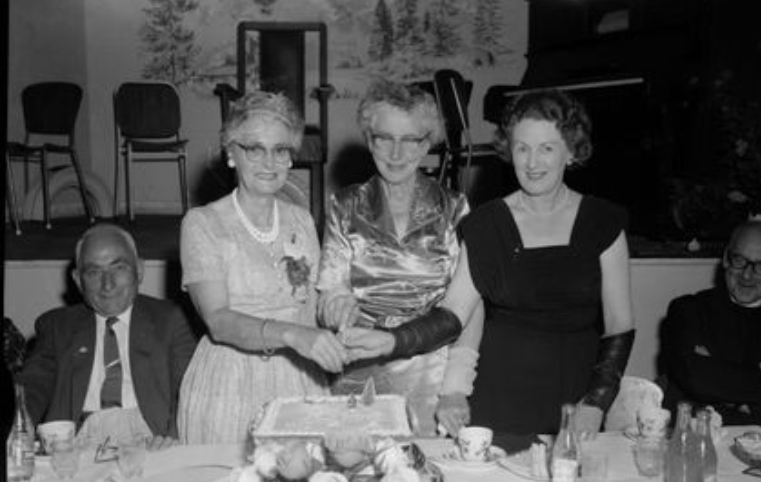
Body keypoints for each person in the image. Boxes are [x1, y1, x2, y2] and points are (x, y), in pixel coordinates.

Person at [343, 89, 635, 448]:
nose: (532, 162)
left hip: (576, 395)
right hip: (499, 396)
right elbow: (453, 313)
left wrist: (596, 401)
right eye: (522, 147)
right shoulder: (485, 224)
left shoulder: (603, 222)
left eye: (547, 148)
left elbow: (619, 325)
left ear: (571, 151)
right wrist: (393, 340)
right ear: (509, 151)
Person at [178, 91, 349, 444]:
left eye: (281, 150)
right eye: (254, 148)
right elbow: (219, 322)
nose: (269, 162)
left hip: (298, 379)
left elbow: (311, 307)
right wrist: (293, 335)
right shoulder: (203, 223)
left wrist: (339, 308)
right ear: (230, 153)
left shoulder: (301, 220)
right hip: (230, 384)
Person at [316, 80, 479, 435]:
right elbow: (329, 294)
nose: (396, 153)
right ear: (369, 140)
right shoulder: (343, 205)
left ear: (427, 144)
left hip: (433, 374)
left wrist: (455, 388)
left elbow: (468, 309)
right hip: (361, 365)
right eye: (384, 138)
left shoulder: (454, 208)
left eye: (411, 140)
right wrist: (336, 306)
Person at [17, 223, 197, 448]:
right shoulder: (57, 326)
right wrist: (17, 427)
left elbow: (189, 390)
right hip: (77, 444)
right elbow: (31, 388)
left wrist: (172, 438)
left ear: (139, 270)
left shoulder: (171, 320)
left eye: (118, 267)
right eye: (94, 272)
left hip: (150, 440)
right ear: (77, 280)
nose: (107, 284)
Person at [662, 220, 761, 425]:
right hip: (692, 439)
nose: (747, 275)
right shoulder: (688, 310)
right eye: (739, 260)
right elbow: (696, 378)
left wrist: (723, 378)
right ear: (725, 258)